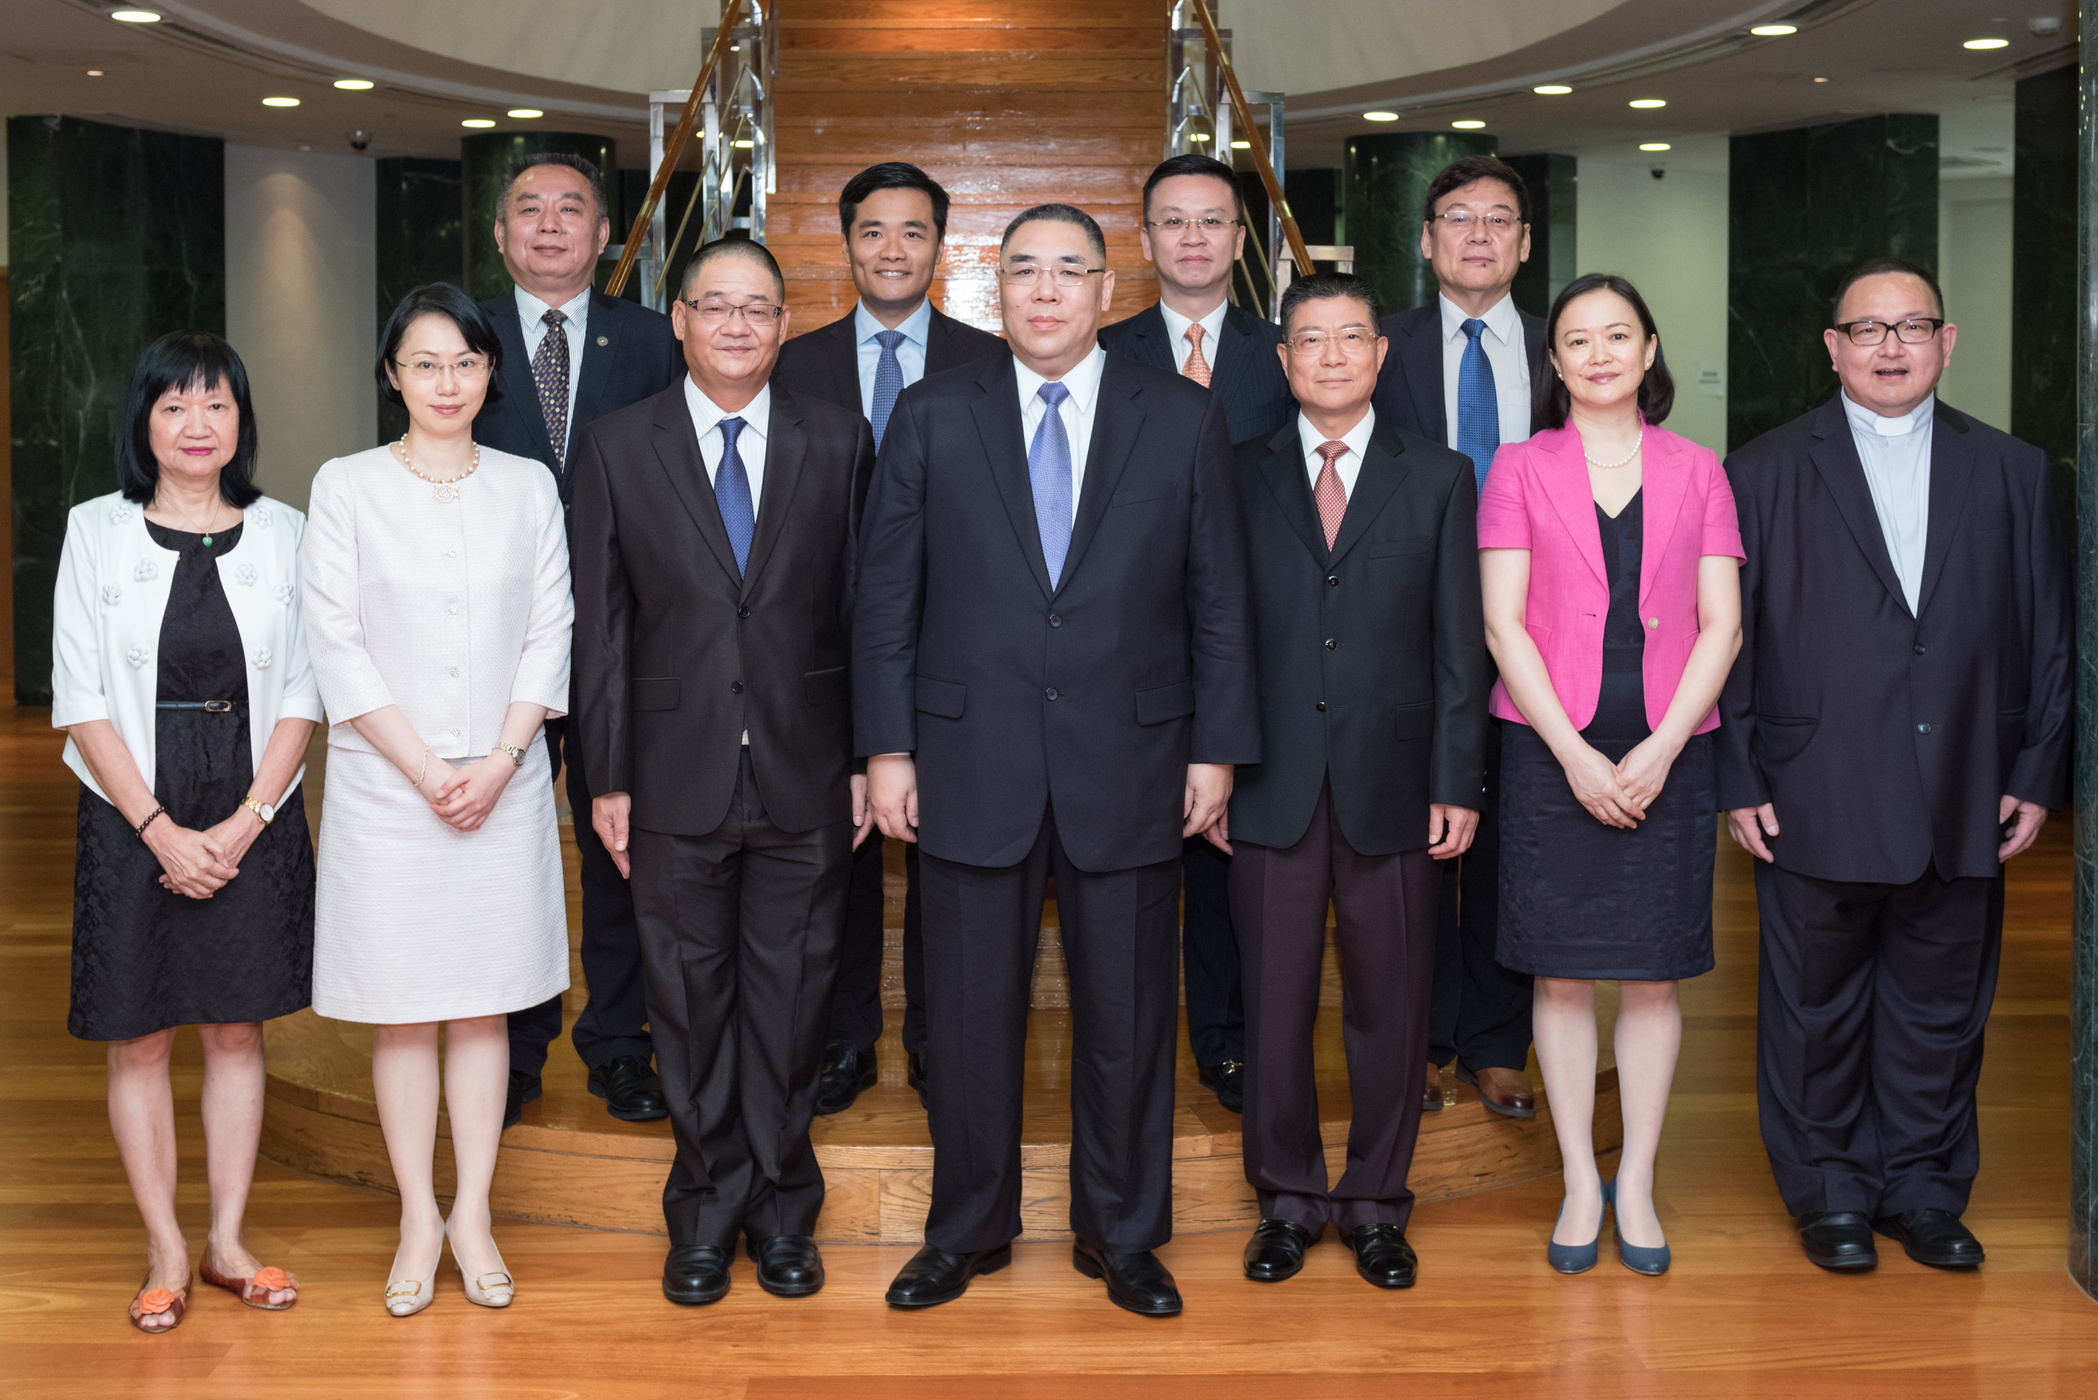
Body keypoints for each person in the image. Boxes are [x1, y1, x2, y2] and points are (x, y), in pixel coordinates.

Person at [857, 203, 1258, 1317]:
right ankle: (966, 1228)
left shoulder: (1180, 414)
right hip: (964, 760)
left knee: (1127, 1017)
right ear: (996, 289)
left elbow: (1219, 598)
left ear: (1104, 288)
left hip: (1133, 759)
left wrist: (1218, 750)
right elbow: (884, 599)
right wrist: (886, 748)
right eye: (1023, 270)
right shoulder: (932, 413)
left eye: (1068, 270)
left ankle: (1122, 1235)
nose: (1045, 290)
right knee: (967, 1019)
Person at [1719, 257, 2071, 1274]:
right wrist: (1738, 773)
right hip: (1811, 782)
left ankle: (1921, 1188)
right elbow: (1728, 639)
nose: (1890, 346)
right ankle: (1828, 1189)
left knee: (1940, 1006)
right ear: (1831, 349)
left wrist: (2037, 768)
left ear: (1945, 344)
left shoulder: (2010, 469)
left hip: (1966, 781)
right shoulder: (1762, 471)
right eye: (1867, 329)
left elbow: (2050, 633)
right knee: (1813, 1010)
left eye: (1912, 326)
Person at [571, 238, 875, 1307]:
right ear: (680, 320)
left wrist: (866, 756)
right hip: (669, 771)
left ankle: (784, 1210)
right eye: (717, 305)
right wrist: (606, 774)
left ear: (785, 325)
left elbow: (866, 612)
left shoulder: (839, 438)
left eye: (758, 308)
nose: (737, 325)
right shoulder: (618, 445)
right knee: (688, 1003)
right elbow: (602, 628)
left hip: (807, 768)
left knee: (793, 1003)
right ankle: (702, 1213)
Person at [303, 284, 575, 1317]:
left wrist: (502, 760)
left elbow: (552, 628)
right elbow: (335, 641)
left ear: (491, 371)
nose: (446, 381)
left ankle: (474, 1211)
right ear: (393, 375)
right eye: (424, 363)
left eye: (465, 361)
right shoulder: (347, 485)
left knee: (484, 1004)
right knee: (405, 1011)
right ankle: (418, 1212)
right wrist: (426, 770)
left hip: (502, 784)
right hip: (388, 789)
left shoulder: (527, 485)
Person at [1220, 272, 1487, 1290]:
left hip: (1398, 783)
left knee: (1394, 1003)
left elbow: (1459, 642)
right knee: (1273, 1003)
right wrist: (1215, 764)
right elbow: (1213, 632)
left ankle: (1377, 1202)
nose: (1330, 356)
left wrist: (1456, 778)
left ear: (1381, 354)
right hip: (1268, 781)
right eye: (1309, 339)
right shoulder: (1234, 470)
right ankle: (1286, 1198)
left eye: (1350, 338)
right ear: (1282, 359)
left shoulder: (1441, 475)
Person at [52, 331, 321, 1332]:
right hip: (130, 805)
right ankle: (166, 1244)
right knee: (140, 1033)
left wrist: (245, 824)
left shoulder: (288, 531)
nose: (196, 424)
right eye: (173, 405)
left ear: (242, 419)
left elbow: (304, 691)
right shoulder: (94, 529)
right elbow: (80, 697)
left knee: (238, 1026)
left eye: (216, 404)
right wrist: (160, 829)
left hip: (255, 801)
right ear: (145, 421)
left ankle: (228, 1242)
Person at [1477, 273, 1743, 1277]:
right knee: (1558, 972)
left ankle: (1635, 1179)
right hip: (1552, 748)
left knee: (1652, 975)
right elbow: (1503, 623)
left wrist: (1664, 747)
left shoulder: (1698, 468)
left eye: (1617, 335)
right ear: (1554, 361)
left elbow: (1723, 622)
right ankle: (1579, 1182)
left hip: (1670, 748)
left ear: (1649, 349)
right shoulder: (1518, 466)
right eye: (1578, 340)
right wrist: (1575, 754)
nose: (1598, 354)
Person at [772, 161, 1005, 1117]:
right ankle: (845, 1037)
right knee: (843, 847)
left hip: (955, 646)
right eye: (873, 231)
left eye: (914, 231)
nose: (893, 249)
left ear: (941, 247)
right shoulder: (793, 363)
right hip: (819, 648)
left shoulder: (993, 361)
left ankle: (942, 1039)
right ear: (847, 244)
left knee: (947, 847)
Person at [473, 151, 683, 1129]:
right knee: (504, 845)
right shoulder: (460, 338)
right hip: (493, 644)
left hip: (625, 639)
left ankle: (620, 1042)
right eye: (530, 208)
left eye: (572, 210)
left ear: (605, 236)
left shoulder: (654, 338)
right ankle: (509, 1051)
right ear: (500, 233)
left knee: (620, 845)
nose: (550, 224)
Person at [1099, 151, 1295, 1115]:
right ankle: (1127, 1051)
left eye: (1212, 220)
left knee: (1226, 853)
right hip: (1123, 640)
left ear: (1240, 240)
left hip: (1252, 633)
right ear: (1144, 240)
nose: (1192, 237)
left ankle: (1226, 1042)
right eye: (1172, 220)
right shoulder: (1101, 351)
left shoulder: (1286, 351)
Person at [1371, 154, 1550, 1120]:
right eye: (1458, 217)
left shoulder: (1567, 347)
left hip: (1537, 634)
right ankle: (1423, 1041)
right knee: (1416, 846)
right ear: (1426, 239)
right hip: (1405, 633)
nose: (1479, 234)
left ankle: (1495, 1039)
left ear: (1524, 242)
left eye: (1499, 218)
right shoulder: (1380, 347)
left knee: (1511, 844)